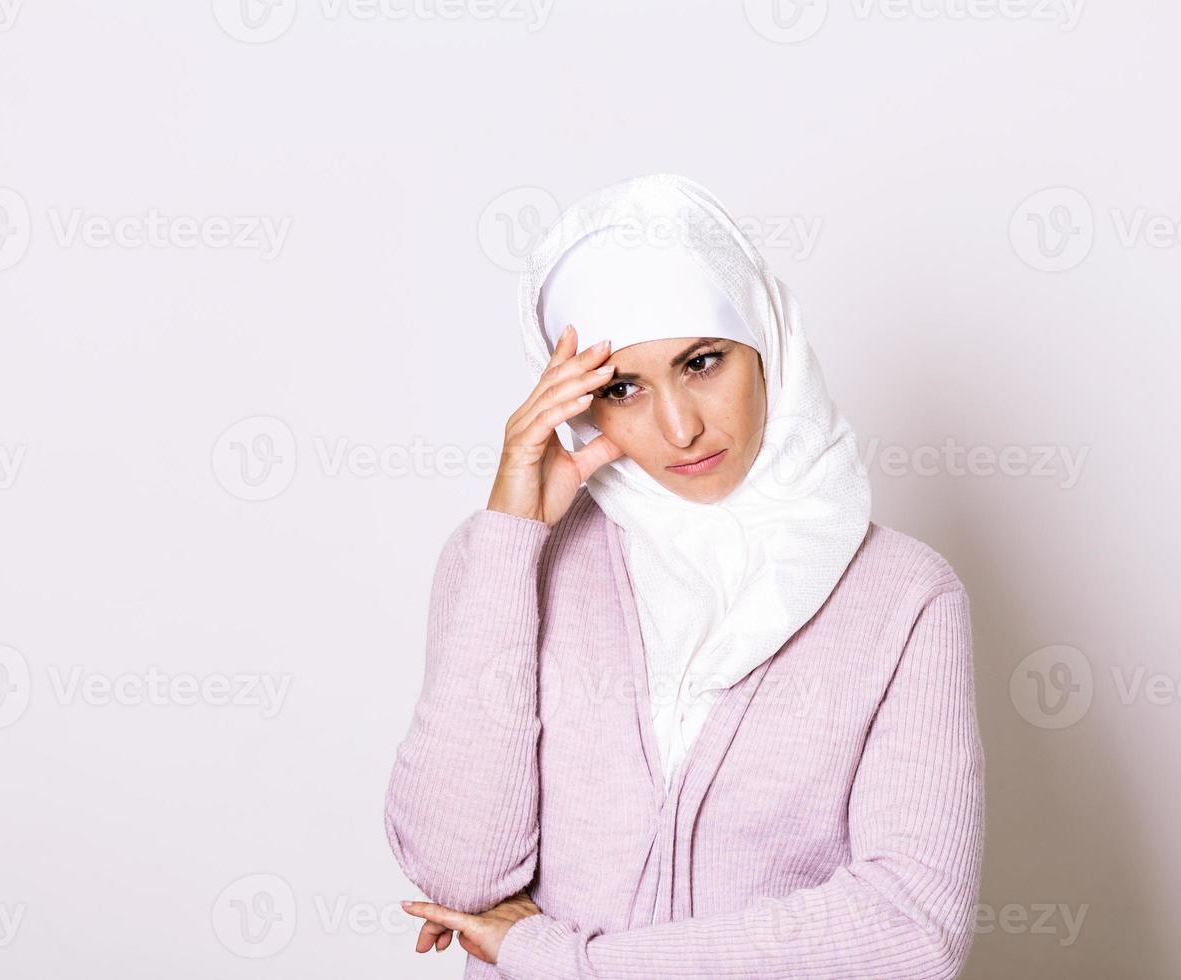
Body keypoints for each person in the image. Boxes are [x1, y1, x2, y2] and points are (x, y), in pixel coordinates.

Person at [385, 173, 985, 979]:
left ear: (767, 344)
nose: (680, 427)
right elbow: (459, 873)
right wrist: (509, 539)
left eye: (703, 362)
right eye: (624, 388)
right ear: (579, 406)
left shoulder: (905, 597)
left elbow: (910, 931)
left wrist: (566, 964)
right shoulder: (505, 562)